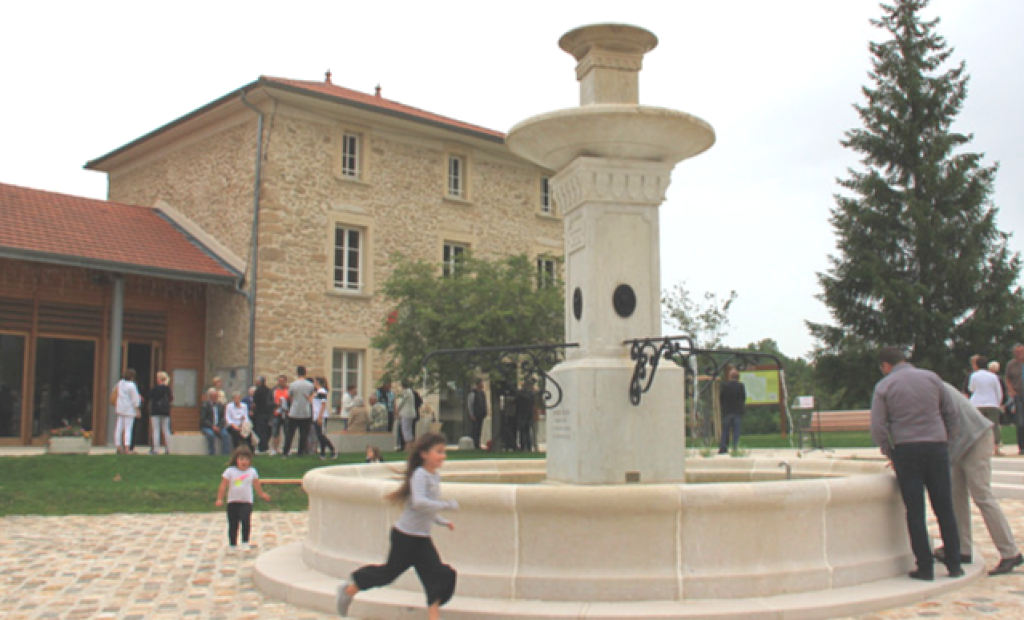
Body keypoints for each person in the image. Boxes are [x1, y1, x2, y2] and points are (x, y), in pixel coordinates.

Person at [335, 433, 458, 620]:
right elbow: (419, 503)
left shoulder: (434, 477)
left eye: (444, 452)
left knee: (436, 576)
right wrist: (447, 505)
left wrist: (442, 521)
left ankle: (434, 616)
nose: (443, 456)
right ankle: (349, 589)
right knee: (388, 574)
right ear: (424, 454)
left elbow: (427, 508)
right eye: (439, 452)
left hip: (421, 539)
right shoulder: (420, 475)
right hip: (406, 537)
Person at [870, 346, 962, 581]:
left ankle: (925, 566)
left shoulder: (885, 386)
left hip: (906, 448)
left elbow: (878, 425)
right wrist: (947, 440)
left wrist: (888, 450)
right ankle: (954, 563)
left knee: (915, 510)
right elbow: (951, 412)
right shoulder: (932, 378)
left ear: (885, 365)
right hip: (936, 445)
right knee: (944, 506)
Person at [938, 383, 1023, 576]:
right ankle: (962, 549)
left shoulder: (929, 389)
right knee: (955, 496)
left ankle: (1010, 553)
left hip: (976, 438)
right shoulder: (928, 386)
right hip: (957, 445)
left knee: (982, 496)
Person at [215, 446, 271, 552]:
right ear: (236, 460)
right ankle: (232, 544)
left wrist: (262, 494)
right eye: (241, 459)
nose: (244, 462)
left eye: (246, 459)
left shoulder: (252, 471)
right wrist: (220, 499)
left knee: (246, 521)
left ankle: (245, 542)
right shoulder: (230, 471)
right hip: (232, 501)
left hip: (246, 501)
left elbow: (256, 484)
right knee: (233, 523)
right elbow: (223, 485)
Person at [968, 354, 1003, 455]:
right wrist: (998, 402)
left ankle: (977, 448)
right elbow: (998, 391)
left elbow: (971, 389)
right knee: (994, 426)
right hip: (991, 403)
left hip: (977, 403)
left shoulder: (974, 376)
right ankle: (996, 447)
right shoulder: (993, 376)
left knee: (978, 426)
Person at [282, 366, 314, 457]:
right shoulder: (310, 385)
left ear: (297, 373)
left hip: (294, 411)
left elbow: (290, 396)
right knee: (303, 434)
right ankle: (301, 451)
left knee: (290, 433)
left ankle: (286, 451)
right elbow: (311, 395)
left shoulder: (293, 385)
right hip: (305, 411)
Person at [114, 368, 142, 455]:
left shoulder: (120, 383)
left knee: (119, 428)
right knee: (128, 429)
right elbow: (135, 399)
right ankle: (127, 447)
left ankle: (118, 446)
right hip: (129, 409)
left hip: (120, 407)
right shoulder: (131, 385)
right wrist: (137, 410)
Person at [718, 369, 746, 455]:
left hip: (727, 411)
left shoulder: (725, 386)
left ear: (730, 376)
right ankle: (735, 447)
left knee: (725, 430)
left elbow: (721, 397)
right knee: (736, 430)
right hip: (737, 411)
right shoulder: (740, 386)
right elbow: (743, 397)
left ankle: (723, 447)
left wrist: (723, 407)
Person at [311, 377, 337, 460]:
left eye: (314, 382)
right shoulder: (317, 392)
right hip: (316, 416)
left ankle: (332, 450)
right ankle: (322, 454)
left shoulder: (322, 391)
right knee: (320, 436)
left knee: (321, 435)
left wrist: (320, 417)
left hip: (321, 416)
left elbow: (323, 404)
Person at [200, 388, 231, 455]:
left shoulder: (220, 406)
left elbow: (223, 418)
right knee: (211, 435)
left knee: (225, 435)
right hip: (208, 426)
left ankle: (225, 453)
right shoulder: (205, 406)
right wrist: (212, 426)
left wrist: (219, 427)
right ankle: (212, 453)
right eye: (214, 397)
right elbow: (203, 419)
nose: (215, 398)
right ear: (210, 397)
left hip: (218, 426)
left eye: (216, 397)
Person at [149, 371, 173, 455]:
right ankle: (169, 448)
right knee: (166, 430)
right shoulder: (168, 388)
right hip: (165, 412)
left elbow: (149, 396)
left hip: (155, 411)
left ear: (159, 379)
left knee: (156, 430)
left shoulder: (155, 388)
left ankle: (156, 449)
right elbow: (171, 398)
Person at [1006, 344, 1024, 456]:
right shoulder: (1011, 365)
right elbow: (1007, 378)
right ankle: (1022, 447)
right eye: (1017, 352)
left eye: (1021, 351)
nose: (1020, 354)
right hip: (1018, 394)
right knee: (1021, 422)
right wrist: (1011, 391)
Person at [252, 376, 274, 454]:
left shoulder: (258, 391)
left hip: (260, 414)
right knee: (267, 431)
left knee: (260, 431)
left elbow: (255, 402)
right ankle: (265, 446)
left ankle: (262, 447)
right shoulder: (269, 391)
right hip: (268, 414)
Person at [514, 380, 535, 452]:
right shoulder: (531, 394)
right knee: (528, 431)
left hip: (522, 414)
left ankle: (523, 446)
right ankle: (529, 447)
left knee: (522, 431)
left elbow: (516, 402)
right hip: (528, 414)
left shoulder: (520, 394)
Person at [270, 374, 289, 456]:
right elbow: (269, 401)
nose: (280, 382)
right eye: (279, 381)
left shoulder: (288, 390)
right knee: (275, 432)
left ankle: (286, 448)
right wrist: (275, 404)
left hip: (286, 413)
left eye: (282, 381)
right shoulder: (274, 390)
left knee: (287, 431)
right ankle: (275, 448)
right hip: (276, 413)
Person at [467, 379, 488, 449]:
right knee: (474, 430)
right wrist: (472, 414)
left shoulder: (482, 393)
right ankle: (473, 444)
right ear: (478, 384)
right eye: (481, 383)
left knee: (479, 430)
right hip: (475, 415)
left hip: (481, 415)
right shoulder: (473, 393)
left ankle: (477, 444)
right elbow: (470, 404)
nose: (483, 385)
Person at [397, 379, 418, 451]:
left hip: (406, 414)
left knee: (405, 430)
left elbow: (401, 402)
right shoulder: (411, 392)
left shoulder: (406, 391)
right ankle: (411, 447)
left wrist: (397, 408)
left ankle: (408, 447)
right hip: (411, 413)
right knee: (409, 430)